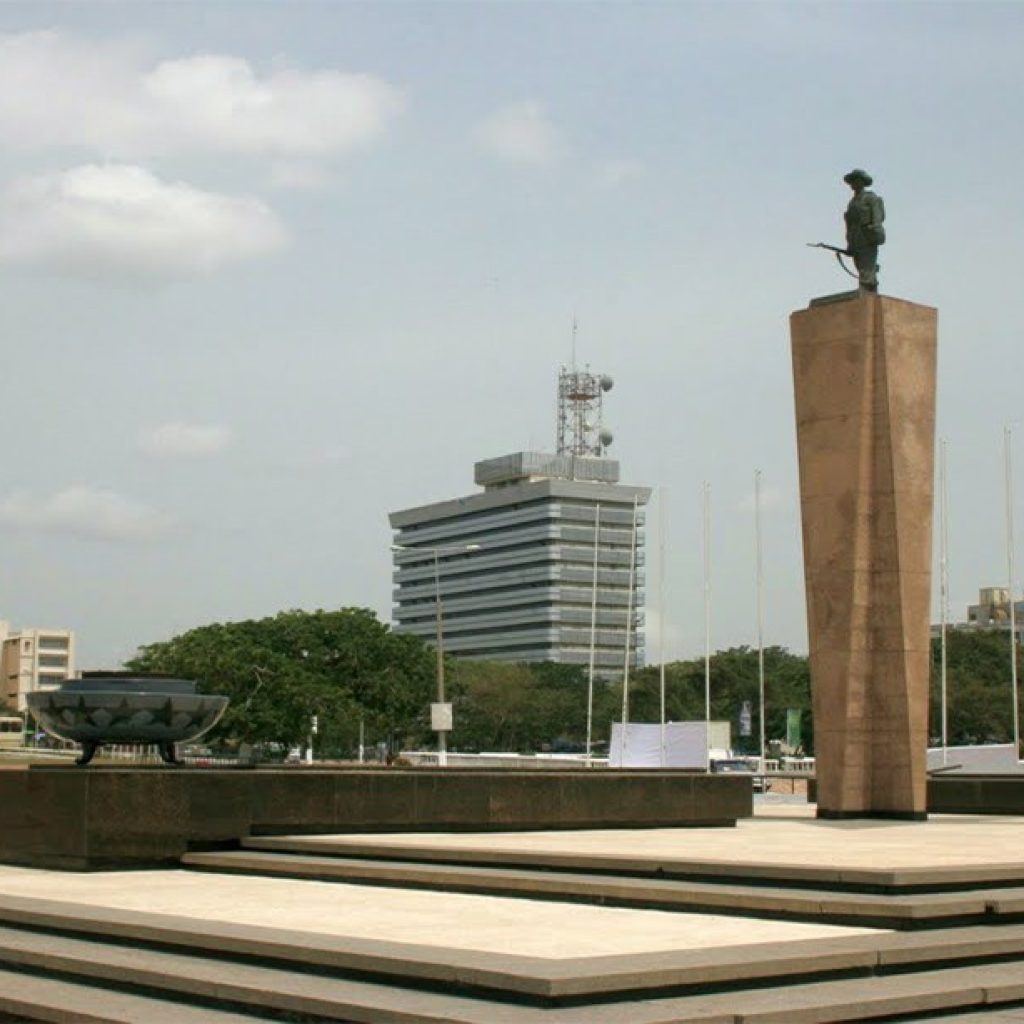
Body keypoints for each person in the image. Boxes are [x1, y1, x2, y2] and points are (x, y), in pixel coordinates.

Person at [843, 169, 885, 292]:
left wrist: (875, 231)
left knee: (868, 265)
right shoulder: (852, 202)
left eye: (856, 180)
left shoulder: (870, 198)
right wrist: (849, 244)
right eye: (852, 181)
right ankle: (868, 286)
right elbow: (849, 223)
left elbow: (878, 216)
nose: (853, 184)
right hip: (855, 238)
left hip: (868, 235)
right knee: (860, 265)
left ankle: (868, 287)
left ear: (862, 182)